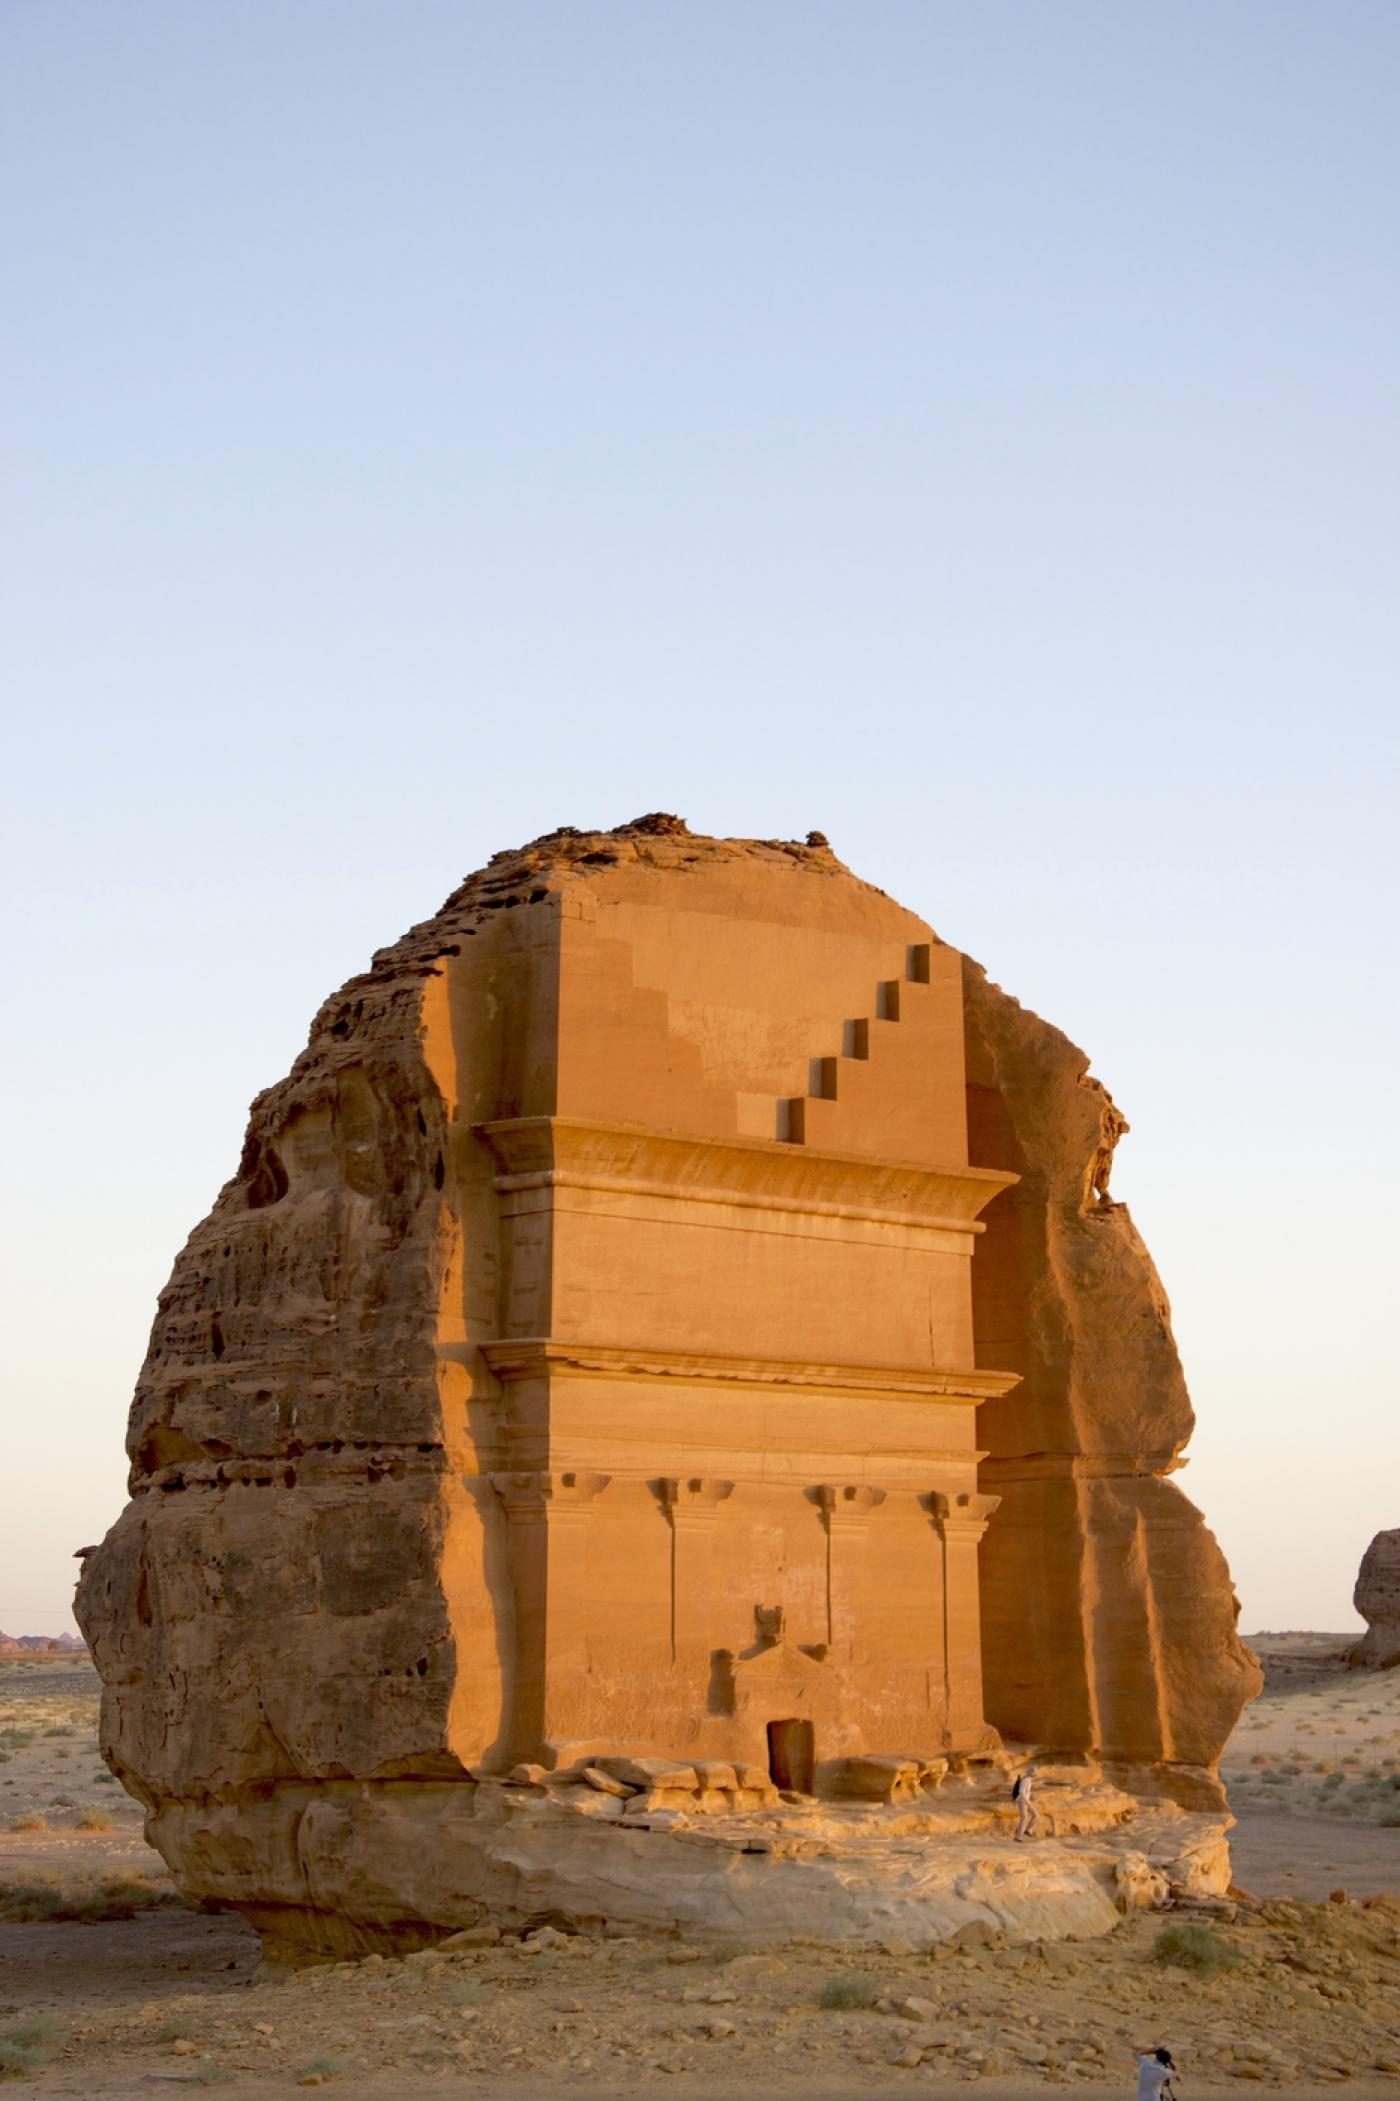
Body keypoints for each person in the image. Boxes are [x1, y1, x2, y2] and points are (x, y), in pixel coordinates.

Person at [1011, 1765, 1038, 1841]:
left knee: (1035, 1815)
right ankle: (1019, 1835)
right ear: (1031, 1773)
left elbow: (1025, 1792)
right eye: (1035, 1772)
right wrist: (1028, 1802)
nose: (1036, 1774)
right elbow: (1021, 1792)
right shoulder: (1026, 1780)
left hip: (1024, 1800)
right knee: (1025, 1817)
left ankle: (1028, 1830)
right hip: (1022, 1800)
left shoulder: (1027, 1779)